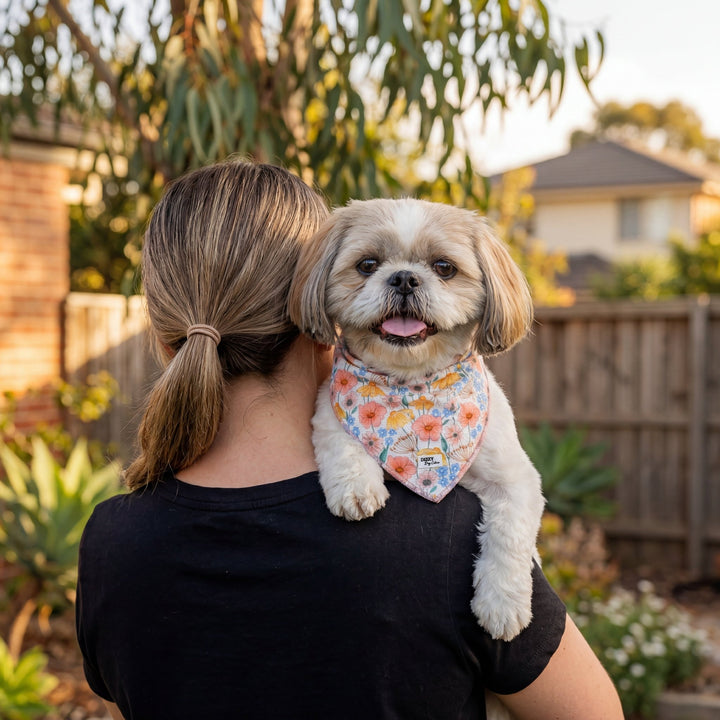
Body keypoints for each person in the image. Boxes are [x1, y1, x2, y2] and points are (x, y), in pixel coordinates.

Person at [75, 158, 623, 720]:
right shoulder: (451, 535)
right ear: (311, 306)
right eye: (368, 265)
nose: (406, 282)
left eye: (439, 267)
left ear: (165, 337)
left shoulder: (110, 542)